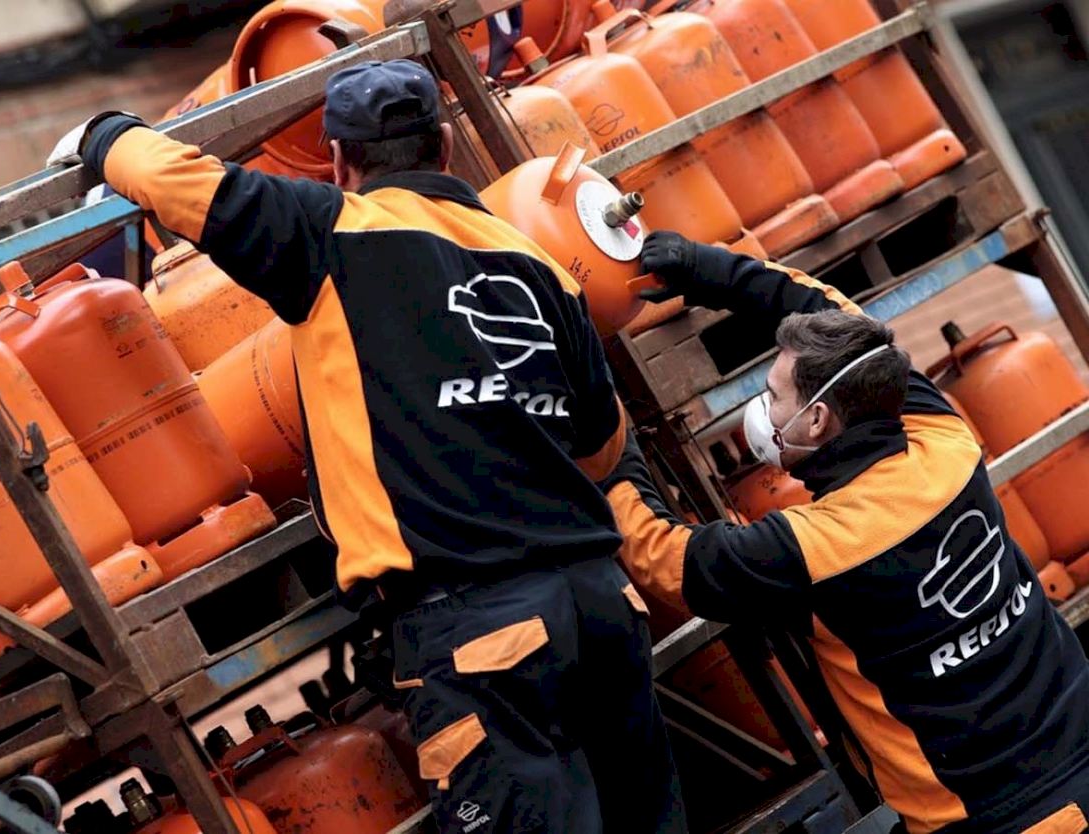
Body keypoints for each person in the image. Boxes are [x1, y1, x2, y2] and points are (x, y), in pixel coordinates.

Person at [48, 60, 686, 834]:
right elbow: (601, 441)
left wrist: (104, 134)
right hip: (600, 607)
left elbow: (183, 185)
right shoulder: (537, 262)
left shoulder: (330, 235)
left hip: (482, 635)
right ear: (444, 146)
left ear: (339, 161)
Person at [601, 230, 1089, 834]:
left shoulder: (818, 547)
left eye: (773, 396)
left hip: (992, 819)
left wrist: (609, 445)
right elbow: (840, 320)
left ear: (817, 420)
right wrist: (708, 270)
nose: (765, 409)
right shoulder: (945, 441)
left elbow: (665, 558)